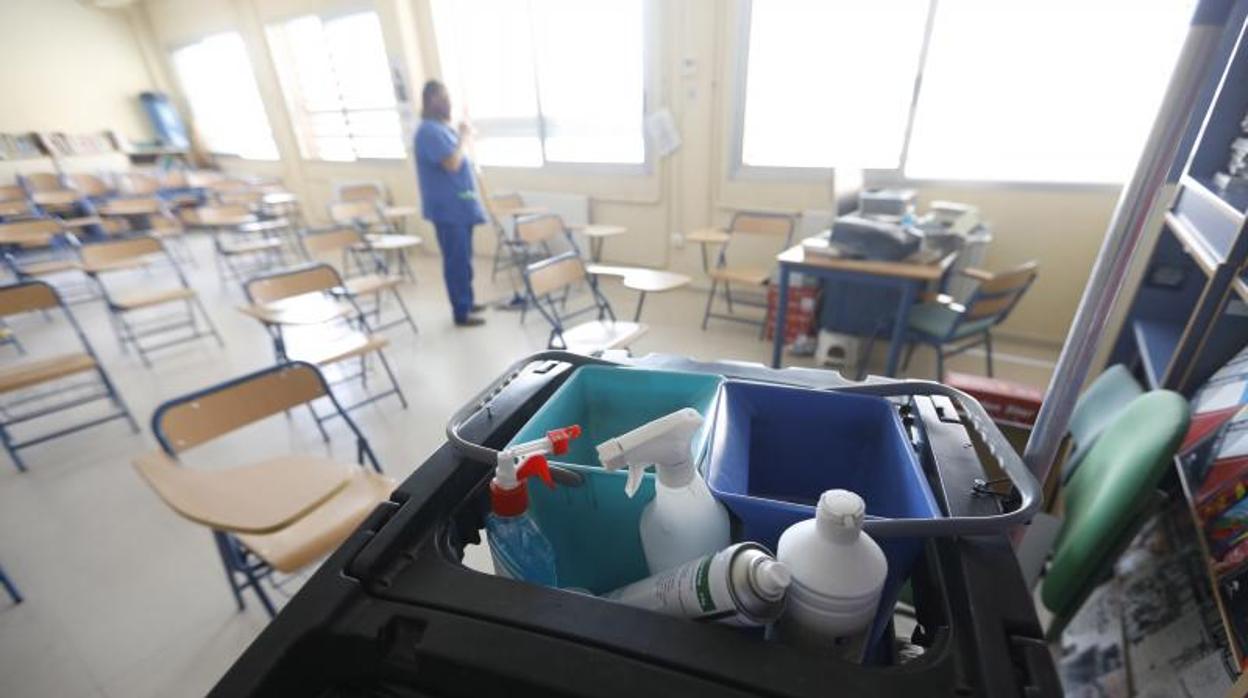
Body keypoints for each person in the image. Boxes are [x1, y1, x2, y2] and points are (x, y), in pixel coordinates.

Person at [414, 80, 487, 327]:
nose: (448, 102)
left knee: (464, 258)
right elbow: (452, 163)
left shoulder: (443, 129)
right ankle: (461, 311)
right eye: (442, 97)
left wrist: (462, 135)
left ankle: (467, 301)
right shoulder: (429, 132)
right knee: (456, 260)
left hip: (462, 206)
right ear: (430, 101)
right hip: (448, 210)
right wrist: (463, 136)